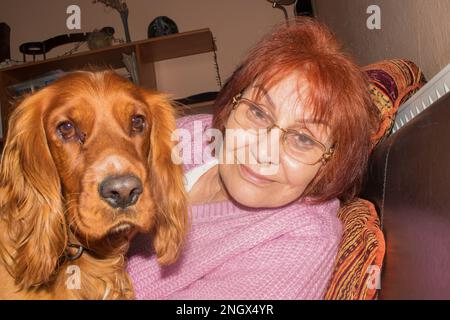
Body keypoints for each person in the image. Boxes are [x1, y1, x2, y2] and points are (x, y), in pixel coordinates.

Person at [126, 17, 378, 299]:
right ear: (232, 103)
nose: (263, 151)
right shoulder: (191, 135)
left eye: (303, 139)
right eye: (258, 113)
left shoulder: (302, 238)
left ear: (329, 164)